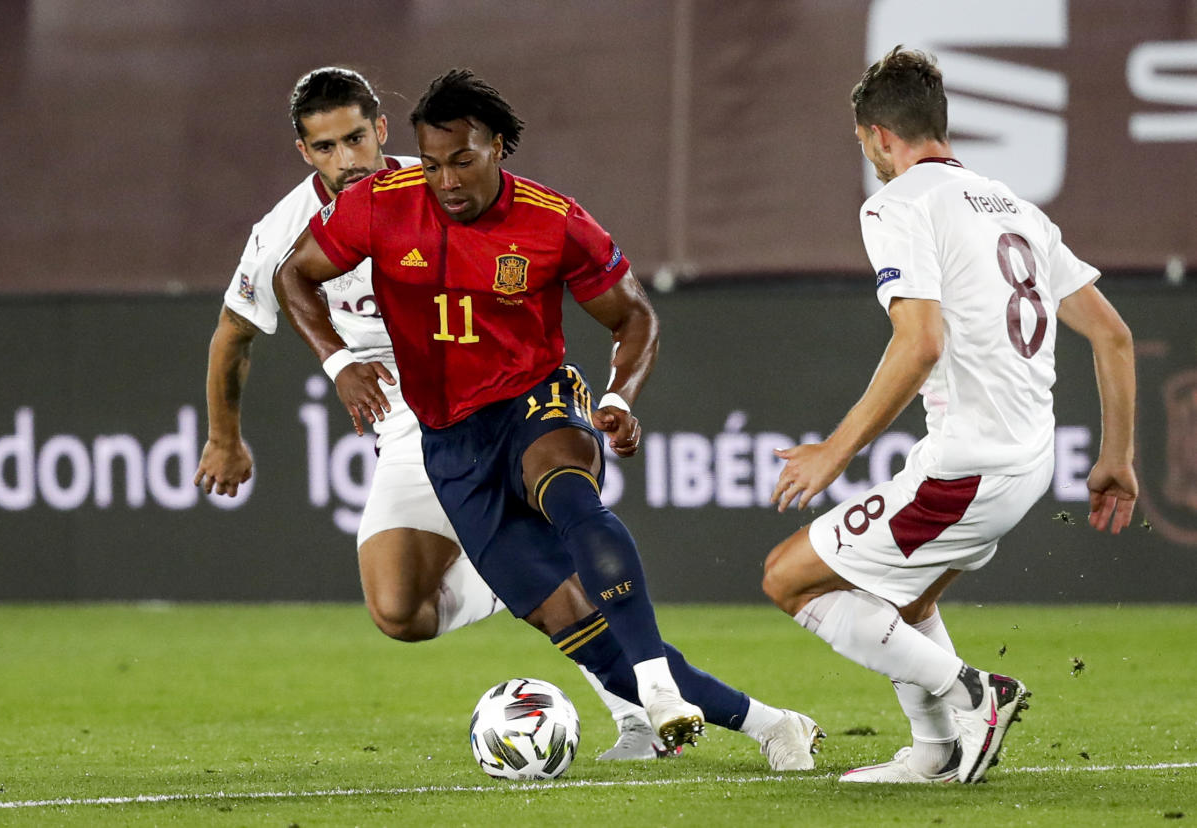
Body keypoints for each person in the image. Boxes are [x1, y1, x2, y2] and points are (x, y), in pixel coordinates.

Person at [273, 68, 823, 768]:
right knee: (583, 633)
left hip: (536, 400)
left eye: (463, 162)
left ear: (499, 147)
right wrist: (336, 363)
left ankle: (655, 691)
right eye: (434, 164)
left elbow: (633, 316)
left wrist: (618, 397)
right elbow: (294, 276)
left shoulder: (553, 220)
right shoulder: (381, 204)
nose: (445, 182)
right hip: (448, 442)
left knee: (567, 491)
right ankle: (775, 725)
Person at [193, 66, 666, 760]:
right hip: (400, 426)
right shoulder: (283, 233)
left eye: (356, 138)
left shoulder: (443, 182)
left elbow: (547, 255)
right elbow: (232, 337)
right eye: (324, 148)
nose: (346, 159)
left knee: (550, 559)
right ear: (303, 153)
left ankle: (641, 714)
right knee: (400, 613)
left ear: (382, 129)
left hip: (488, 404)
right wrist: (225, 438)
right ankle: (509, 577)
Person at [761, 46, 1137, 784]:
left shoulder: (897, 203)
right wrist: (1116, 460)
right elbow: (1115, 336)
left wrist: (835, 450)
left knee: (788, 578)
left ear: (877, 136)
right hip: (1028, 460)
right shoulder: (1017, 208)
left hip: (970, 465)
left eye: (863, 141)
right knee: (902, 600)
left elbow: (920, 342)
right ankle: (934, 751)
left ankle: (973, 693)